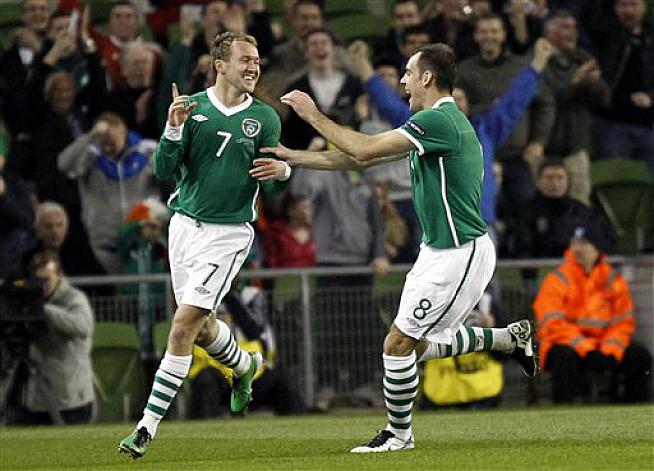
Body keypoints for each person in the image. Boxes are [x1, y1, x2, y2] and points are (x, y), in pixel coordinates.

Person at [256, 42, 536, 453]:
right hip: (436, 252)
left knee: (397, 344)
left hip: (460, 252)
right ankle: (507, 339)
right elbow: (357, 161)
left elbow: (362, 148)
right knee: (414, 345)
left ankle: (399, 435)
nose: (403, 82)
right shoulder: (432, 123)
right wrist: (292, 157)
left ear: (428, 77)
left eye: (408, 73)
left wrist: (312, 114)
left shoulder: (440, 120)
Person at [118, 31, 292, 459]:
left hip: (228, 234)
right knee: (204, 327)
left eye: (257, 61)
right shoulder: (191, 108)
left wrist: (284, 173)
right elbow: (163, 170)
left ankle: (146, 427)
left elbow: (274, 186)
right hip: (183, 227)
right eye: (245, 60)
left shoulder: (265, 118)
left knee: (182, 325)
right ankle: (245, 367)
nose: (253, 67)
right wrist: (173, 128)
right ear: (220, 65)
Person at [533, 223, 652, 403]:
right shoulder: (557, 279)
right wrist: (585, 348)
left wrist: (610, 350)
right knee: (563, 357)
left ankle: (631, 410)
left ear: (597, 248)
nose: (577, 249)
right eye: (574, 243)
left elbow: (623, 323)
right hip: (567, 345)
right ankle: (564, 410)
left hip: (604, 345)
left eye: (584, 243)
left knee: (639, 356)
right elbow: (552, 325)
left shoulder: (613, 280)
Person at [58, 112, 160, 274]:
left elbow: (172, 173)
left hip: (141, 239)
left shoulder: (147, 150)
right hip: (104, 244)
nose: (107, 148)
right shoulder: (89, 155)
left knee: (143, 288)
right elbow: (64, 165)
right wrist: (89, 137)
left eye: (111, 142)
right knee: (112, 289)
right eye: (102, 142)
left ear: (123, 131)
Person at [19, 250, 95, 425]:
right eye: (38, 281)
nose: (42, 285)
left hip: (71, 397)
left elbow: (82, 326)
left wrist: (44, 310)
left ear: (59, 275)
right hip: (37, 397)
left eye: (46, 280)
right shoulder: (27, 301)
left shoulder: (73, 298)